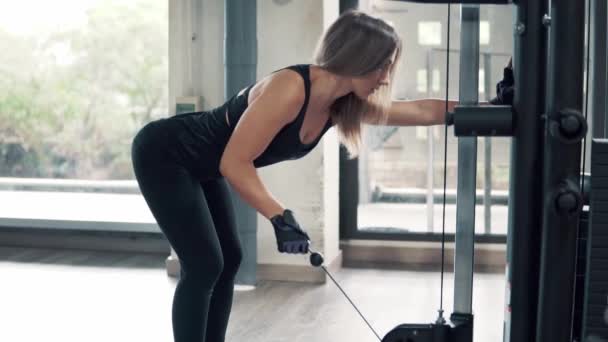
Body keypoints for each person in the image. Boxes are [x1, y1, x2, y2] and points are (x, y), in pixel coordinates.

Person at [131, 9, 507, 342]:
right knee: (204, 264)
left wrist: (492, 108)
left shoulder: (340, 106)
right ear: (358, 57)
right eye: (383, 65)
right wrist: (280, 216)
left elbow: (421, 111)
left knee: (229, 257)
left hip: (203, 163)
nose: (386, 77)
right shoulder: (290, 89)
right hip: (165, 153)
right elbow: (235, 163)